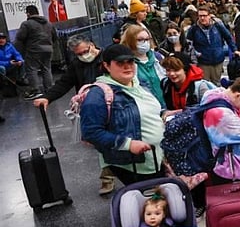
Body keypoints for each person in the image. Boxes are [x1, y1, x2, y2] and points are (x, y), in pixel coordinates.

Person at [33, 35, 116, 194]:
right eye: (78, 54)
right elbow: (64, 83)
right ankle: (108, 176)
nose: (84, 55)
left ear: (92, 45)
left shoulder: (108, 57)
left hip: (112, 104)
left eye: (85, 51)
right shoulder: (76, 65)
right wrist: (47, 97)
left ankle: (113, 173)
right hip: (92, 108)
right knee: (102, 143)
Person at [80, 44, 165, 186]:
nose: (127, 67)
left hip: (157, 158)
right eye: (120, 63)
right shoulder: (97, 95)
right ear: (106, 66)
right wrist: (128, 144)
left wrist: (165, 114)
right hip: (135, 165)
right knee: (151, 204)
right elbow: (90, 132)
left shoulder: (138, 85)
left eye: (130, 62)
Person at [185, 5, 236, 85]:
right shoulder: (194, 29)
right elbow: (188, 45)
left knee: (217, 83)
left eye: (204, 16)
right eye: (200, 16)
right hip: (203, 61)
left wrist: (234, 50)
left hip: (218, 60)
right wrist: (194, 58)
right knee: (206, 84)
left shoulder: (217, 25)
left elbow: (228, 37)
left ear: (209, 16)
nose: (202, 18)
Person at [17, 5, 58, 100]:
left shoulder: (26, 24)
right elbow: (55, 37)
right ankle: (49, 88)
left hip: (33, 50)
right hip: (48, 50)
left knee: (32, 70)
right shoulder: (48, 23)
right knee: (46, 69)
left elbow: (20, 37)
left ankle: (36, 91)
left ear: (28, 13)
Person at [121, 25, 166, 107]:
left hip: (166, 106)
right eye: (140, 40)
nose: (145, 43)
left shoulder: (158, 58)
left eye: (147, 39)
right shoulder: (125, 64)